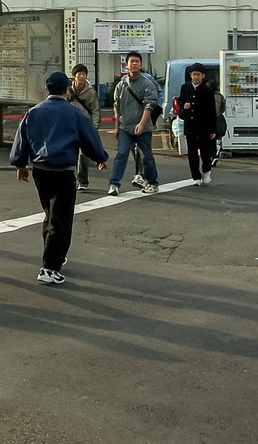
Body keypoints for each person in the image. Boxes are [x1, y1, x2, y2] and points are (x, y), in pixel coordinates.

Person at [11, 71, 108, 285]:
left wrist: (20, 164)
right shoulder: (74, 114)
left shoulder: (34, 112)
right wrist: (100, 157)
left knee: (50, 214)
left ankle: (53, 254)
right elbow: (89, 138)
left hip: (40, 170)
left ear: (47, 89)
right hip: (63, 170)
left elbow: (21, 139)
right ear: (67, 90)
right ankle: (50, 267)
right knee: (61, 219)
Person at [107, 51, 162, 196]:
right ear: (127, 65)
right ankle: (114, 184)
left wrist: (142, 124)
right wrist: (116, 128)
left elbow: (150, 104)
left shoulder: (147, 83)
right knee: (122, 154)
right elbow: (116, 106)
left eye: (137, 61)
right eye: (132, 61)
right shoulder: (121, 84)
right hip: (125, 126)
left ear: (141, 64)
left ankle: (153, 183)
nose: (135, 64)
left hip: (143, 127)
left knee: (146, 156)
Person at [177, 62, 218, 186]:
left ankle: (207, 171)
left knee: (205, 152)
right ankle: (195, 176)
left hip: (204, 126)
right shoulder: (185, 87)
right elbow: (180, 100)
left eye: (198, 75)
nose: (196, 77)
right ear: (190, 75)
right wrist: (183, 106)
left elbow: (212, 111)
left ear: (203, 76)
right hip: (190, 125)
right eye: (194, 74)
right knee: (192, 152)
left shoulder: (207, 90)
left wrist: (213, 130)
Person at [67, 63, 102, 191]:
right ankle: (71, 180)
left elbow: (95, 110)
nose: (81, 77)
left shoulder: (90, 92)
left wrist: (94, 127)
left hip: (85, 127)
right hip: (70, 126)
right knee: (70, 153)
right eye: (79, 74)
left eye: (84, 74)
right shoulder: (68, 91)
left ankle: (83, 181)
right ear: (74, 76)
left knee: (83, 155)